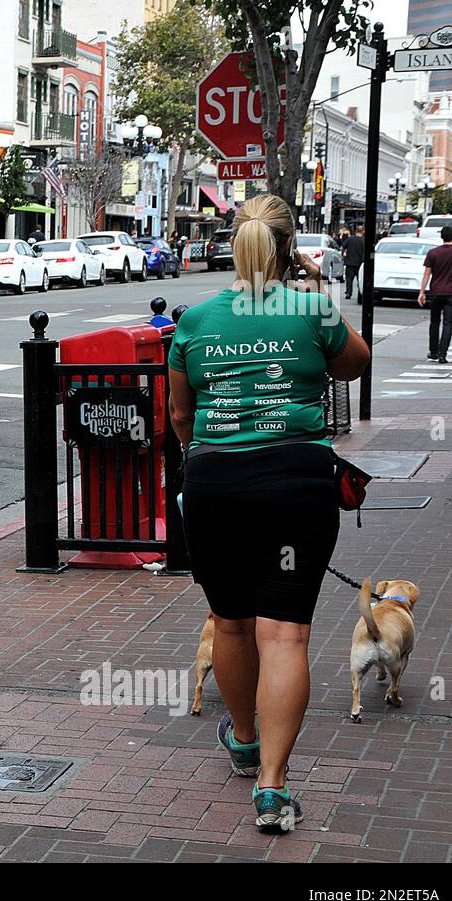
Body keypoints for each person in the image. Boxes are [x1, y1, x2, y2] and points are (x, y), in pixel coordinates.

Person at [167, 193, 370, 833]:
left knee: (229, 623)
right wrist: (310, 286)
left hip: (214, 485)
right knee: (284, 633)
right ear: (288, 249)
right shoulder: (312, 308)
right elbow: (356, 365)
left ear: (235, 245)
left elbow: (178, 416)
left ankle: (246, 742)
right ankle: (274, 790)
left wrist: (210, 460)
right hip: (295, 485)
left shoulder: (195, 320)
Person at [418, 226, 452, 363]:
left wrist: (422, 292)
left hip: (436, 291)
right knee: (448, 323)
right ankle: (443, 354)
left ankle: (433, 351)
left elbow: (427, 273)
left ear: (441, 237)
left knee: (434, 322)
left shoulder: (433, 253)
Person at [342, 225, 366, 301]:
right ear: (363, 231)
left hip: (350, 262)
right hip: (360, 263)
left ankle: (348, 292)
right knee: (360, 280)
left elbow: (343, 247)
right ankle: (360, 293)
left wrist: (343, 256)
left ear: (356, 231)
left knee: (349, 279)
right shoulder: (364, 240)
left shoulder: (350, 239)